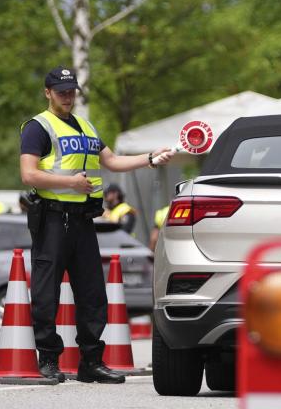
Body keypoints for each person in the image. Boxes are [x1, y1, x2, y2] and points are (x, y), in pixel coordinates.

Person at [19, 66, 174, 383]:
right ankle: (49, 360)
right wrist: (70, 183)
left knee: (92, 295)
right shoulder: (38, 127)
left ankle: (91, 362)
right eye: (61, 91)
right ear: (47, 92)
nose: (67, 96)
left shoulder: (85, 126)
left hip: (82, 222)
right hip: (51, 219)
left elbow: (113, 161)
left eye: (71, 90)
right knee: (47, 294)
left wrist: (150, 158)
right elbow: (29, 175)